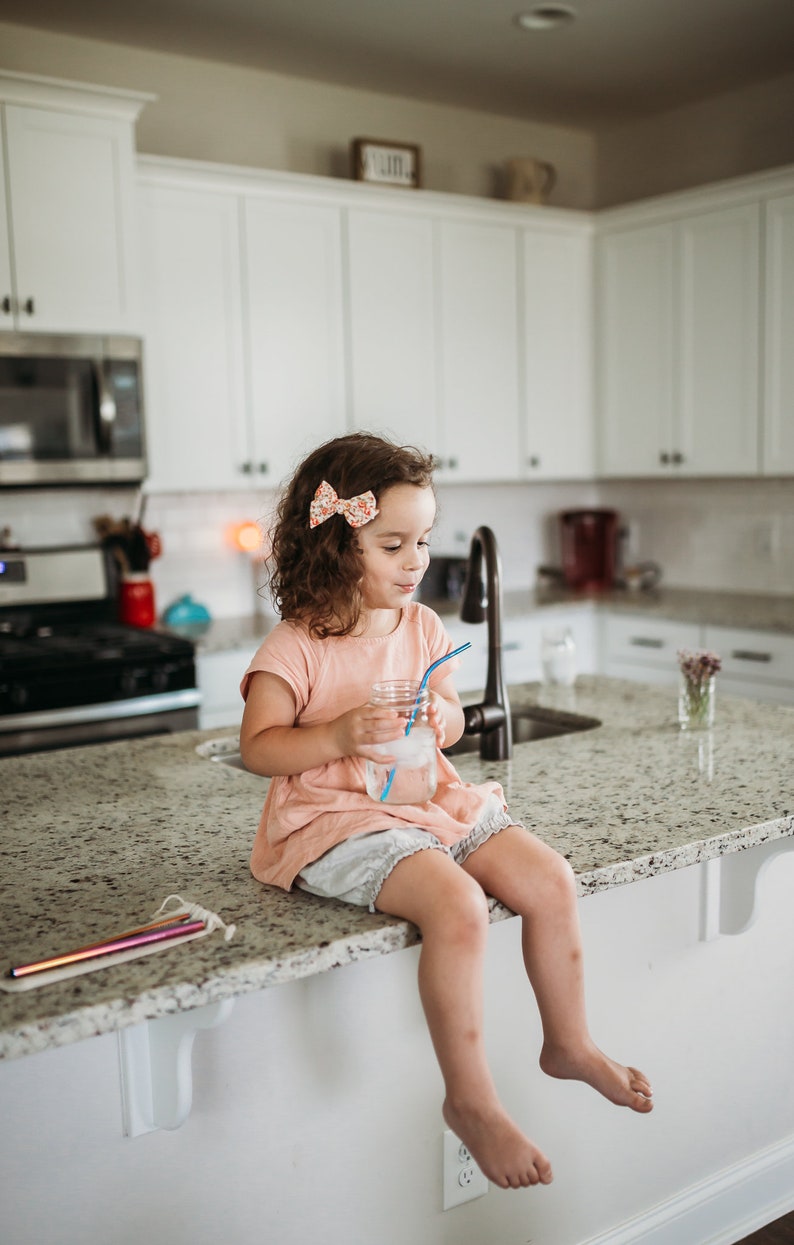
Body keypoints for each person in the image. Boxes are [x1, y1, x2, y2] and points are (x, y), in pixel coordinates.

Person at [240, 431, 653, 1191]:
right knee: (458, 906)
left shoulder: (422, 625)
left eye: (423, 540)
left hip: (423, 795)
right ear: (335, 544)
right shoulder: (298, 642)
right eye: (393, 543)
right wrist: (333, 733)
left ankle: (569, 1041)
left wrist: (443, 720)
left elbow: (452, 718)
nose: (416, 560)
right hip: (333, 816)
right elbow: (259, 746)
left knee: (550, 879)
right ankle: (470, 1099)